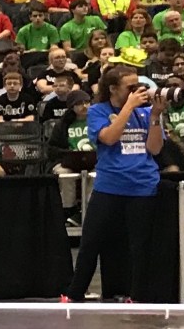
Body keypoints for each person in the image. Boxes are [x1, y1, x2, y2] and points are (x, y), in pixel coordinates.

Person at [67, 64, 164, 302]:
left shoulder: (145, 112)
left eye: (139, 86)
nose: (137, 90)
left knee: (139, 247)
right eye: (130, 87)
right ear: (113, 89)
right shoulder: (98, 111)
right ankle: (73, 294)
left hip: (142, 185)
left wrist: (155, 116)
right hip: (109, 185)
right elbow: (108, 138)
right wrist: (128, 107)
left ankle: (137, 296)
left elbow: (155, 148)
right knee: (91, 242)